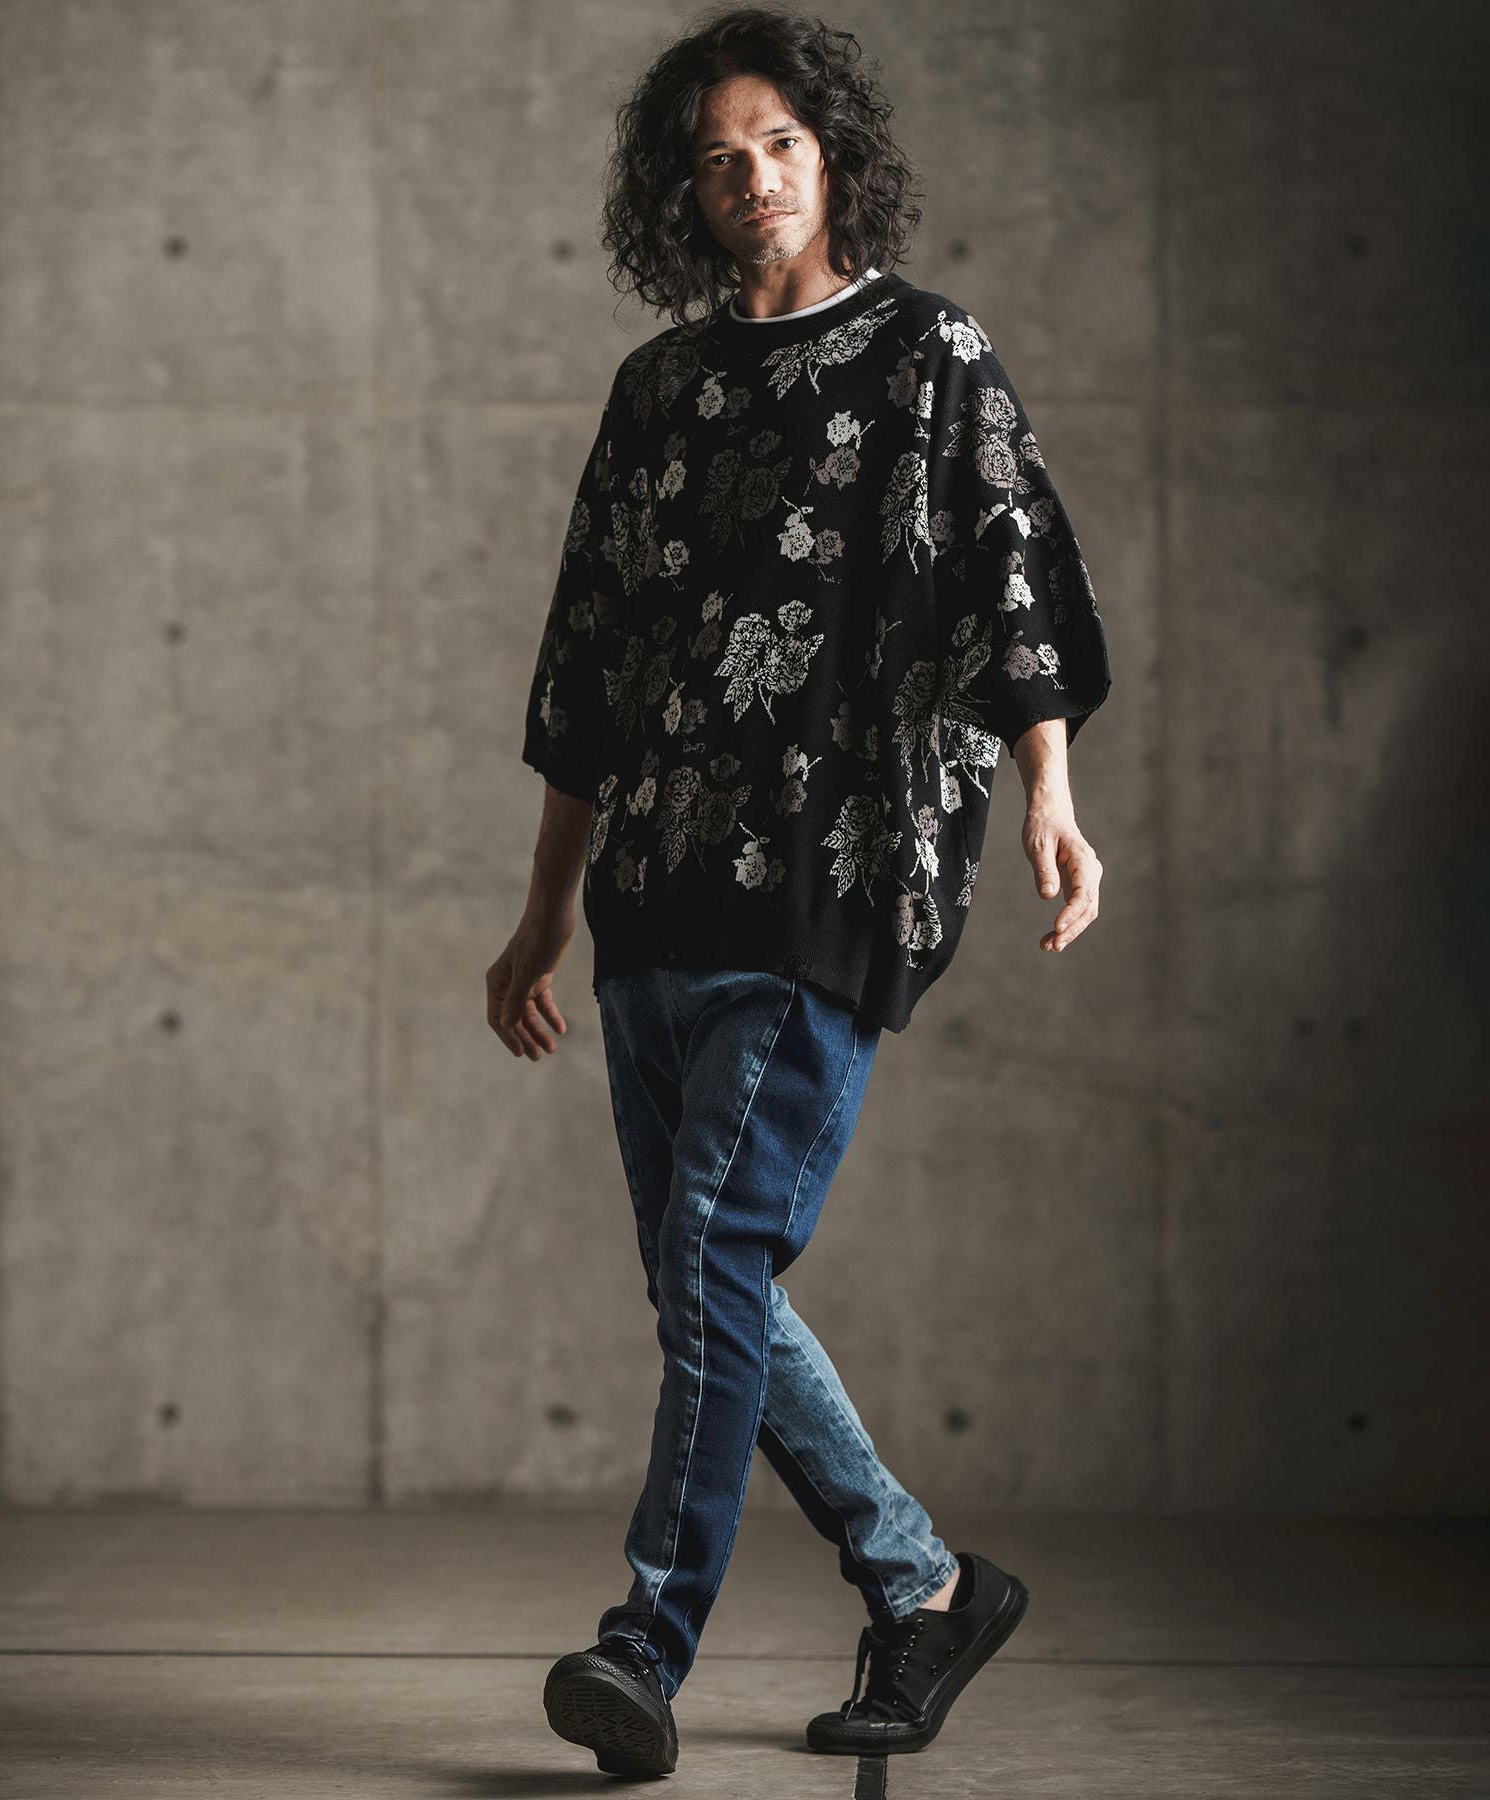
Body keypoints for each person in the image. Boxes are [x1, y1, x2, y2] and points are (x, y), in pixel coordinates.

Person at [485, 5, 1112, 1776]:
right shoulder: (658, 394)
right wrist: (543, 912)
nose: (752, 176)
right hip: (656, 890)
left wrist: (1054, 799)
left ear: (830, 155)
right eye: (716, 157)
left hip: (832, 876)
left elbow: (1014, 582)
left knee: (714, 1260)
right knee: (712, 1285)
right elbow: (590, 670)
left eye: (777, 141)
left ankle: (646, 1643)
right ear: (680, 194)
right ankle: (924, 1588)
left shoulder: (928, 353)